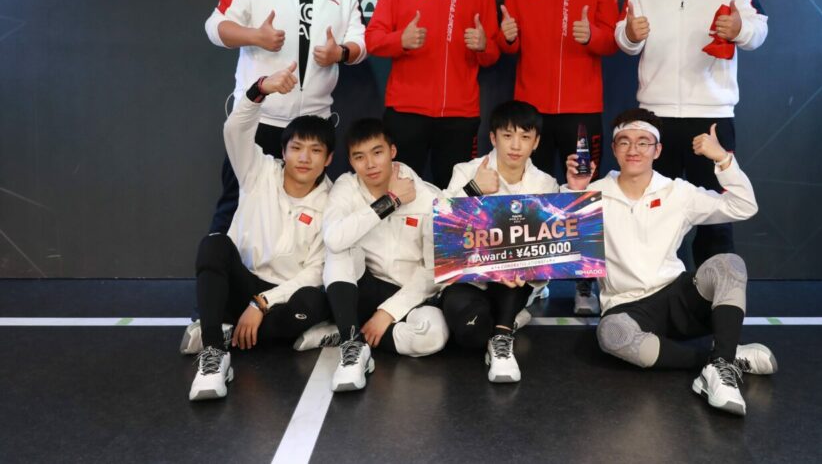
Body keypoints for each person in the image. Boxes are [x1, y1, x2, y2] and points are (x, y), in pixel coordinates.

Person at [566, 108, 776, 416]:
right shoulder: (593, 194)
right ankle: (721, 360)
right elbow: (550, 238)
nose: (633, 149)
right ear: (614, 149)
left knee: (729, 264)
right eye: (624, 142)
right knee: (611, 335)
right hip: (626, 306)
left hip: (678, 297)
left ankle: (721, 364)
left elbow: (744, 207)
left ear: (657, 150)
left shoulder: (677, 192)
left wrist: (722, 159)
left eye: (643, 142)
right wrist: (574, 192)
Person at [615, 0, 768, 268]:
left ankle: (716, 292)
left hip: (711, 117)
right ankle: (652, 286)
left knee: (716, 215)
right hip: (656, 118)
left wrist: (740, 28)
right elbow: (624, 39)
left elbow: (759, 30)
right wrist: (630, 34)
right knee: (653, 211)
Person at [204, 0, 366, 234]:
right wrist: (256, 36)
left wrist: (340, 53)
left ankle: (295, 271)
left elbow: (360, 43)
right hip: (260, 119)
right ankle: (220, 262)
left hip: (313, 124)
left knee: (307, 213)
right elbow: (215, 27)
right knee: (238, 205)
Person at [498, 0, 619, 314]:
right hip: (531, 108)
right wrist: (506, 37)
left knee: (582, 195)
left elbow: (614, 40)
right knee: (531, 195)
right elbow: (508, 44)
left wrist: (594, 35)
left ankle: (585, 284)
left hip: (582, 108)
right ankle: (534, 280)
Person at [182, 62, 333, 401]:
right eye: (296, 148)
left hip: (282, 298)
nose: (304, 158)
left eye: (315, 151)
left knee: (312, 302)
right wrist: (260, 89)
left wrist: (263, 302)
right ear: (283, 151)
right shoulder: (257, 171)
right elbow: (235, 130)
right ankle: (214, 353)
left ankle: (227, 330)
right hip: (243, 283)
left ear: (328, 159)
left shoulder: (333, 201)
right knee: (214, 245)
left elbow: (315, 272)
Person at [297, 118, 448, 392]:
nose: (370, 164)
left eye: (377, 153)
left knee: (434, 335)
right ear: (351, 162)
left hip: (407, 295)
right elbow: (334, 238)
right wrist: (390, 202)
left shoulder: (427, 197)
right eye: (359, 157)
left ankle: (347, 331)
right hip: (362, 288)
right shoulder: (347, 186)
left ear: (392, 151)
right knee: (340, 247)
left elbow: (433, 271)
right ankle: (353, 345)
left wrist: (388, 312)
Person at [365, 0, 500, 189]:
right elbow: (373, 40)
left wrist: (483, 45)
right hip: (406, 111)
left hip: (460, 115)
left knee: (455, 196)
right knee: (399, 193)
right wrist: (401, 39)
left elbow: (492, 55)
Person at [442, 100, 559, 383]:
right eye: (507, 135)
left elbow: (550, 248)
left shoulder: (545, 184)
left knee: (513, 267)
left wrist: (522, 266)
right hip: (469, 278)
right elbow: (442, 227)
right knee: (471, 333)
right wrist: (474, 189)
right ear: (493, 138)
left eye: (525, 137)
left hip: (515, 281)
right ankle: (511, 320)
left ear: (536, 142)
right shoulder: (466, 171)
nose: (516, 145)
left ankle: (503, 337)